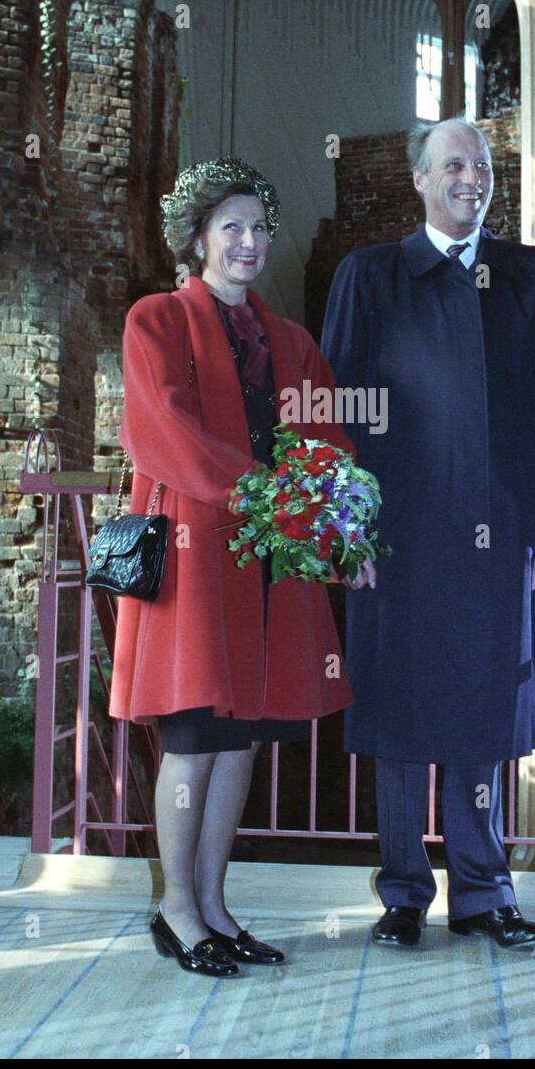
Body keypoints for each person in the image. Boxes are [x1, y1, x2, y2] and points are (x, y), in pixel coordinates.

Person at [320, 113, 535, 950]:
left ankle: (484, 894)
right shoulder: (370, 277)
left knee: (488, 714)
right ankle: (403, 893)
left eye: (482, 167)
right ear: (419, 178)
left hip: (505, 540)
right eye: (454, 166)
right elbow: (334, 414)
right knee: (400, 718)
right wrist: (345, 531)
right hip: (397, 539)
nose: (471, 180)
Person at [108, 157, 366, 977]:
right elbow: (164, 435)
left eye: (258, 227)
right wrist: (267, 497)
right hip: (192, 557)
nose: (249, 242)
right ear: (197, 239)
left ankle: (214, 904)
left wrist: (340, 527)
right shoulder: (156, 321)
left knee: (242, 740)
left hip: (271, 566)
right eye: (232, 228)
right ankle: (176, 911)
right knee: (192, 737)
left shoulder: (290, 342)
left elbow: (327, 443)